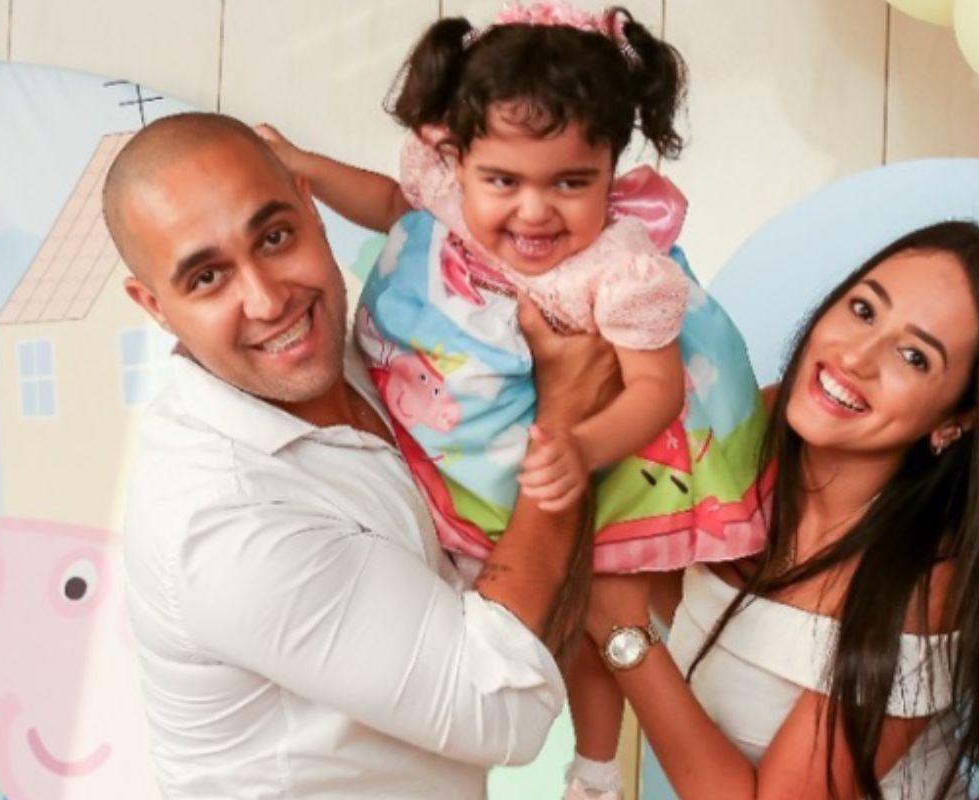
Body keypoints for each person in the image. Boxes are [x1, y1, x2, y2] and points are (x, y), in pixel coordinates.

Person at [257, 3, 772, 797]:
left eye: (572, 183)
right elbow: (389, 202)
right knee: (483, 621)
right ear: (458, 159)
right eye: (503, 181)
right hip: (467, 445)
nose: (534, 212)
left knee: (597, 615)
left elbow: (655, 388)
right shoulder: (450, 200)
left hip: (588, 459)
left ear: (611, 168)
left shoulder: (616, 270)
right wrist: (304, 168)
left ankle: (595, 770)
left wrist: (584, 446)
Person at [104, 111, 621, 799]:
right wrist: (565, 418)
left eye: (275, 237)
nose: (268, 300)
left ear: (310, 207)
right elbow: (504, 708)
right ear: (154, 305)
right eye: (206, 278)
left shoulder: (375, 342)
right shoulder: (222, 522)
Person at [584, 221, 979, 800]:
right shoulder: (751, 432)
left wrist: (623, 636)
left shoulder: (925, 584)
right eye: (863, 310)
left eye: (914, 356)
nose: (855, 356)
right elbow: (699, 603)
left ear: (957, 419)